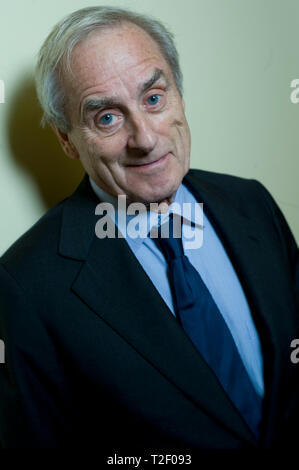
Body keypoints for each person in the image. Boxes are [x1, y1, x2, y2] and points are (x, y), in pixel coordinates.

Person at [0, 6, 298, 451]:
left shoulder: (253, 204)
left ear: (178, 93)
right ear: (67, 140)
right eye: (107, 118)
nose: (145, 138)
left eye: (154, 98)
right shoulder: (24, 287)